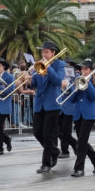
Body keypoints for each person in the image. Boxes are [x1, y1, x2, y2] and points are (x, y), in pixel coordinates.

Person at [29, 41, 66, 173]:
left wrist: (48, 67)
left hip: (52, 104)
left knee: (48, 135)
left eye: (46, 52)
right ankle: (54, 150)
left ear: (53, 53)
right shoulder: (38, 65)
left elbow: (58, 81)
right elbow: (33, 85)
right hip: (40, 104)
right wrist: (28, 78)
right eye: (42, 52)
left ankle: (46, 163)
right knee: (37, 132)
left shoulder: (60, 65)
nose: (43, 54)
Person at [69, 59, 95, 177]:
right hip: (78, 114)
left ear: (91, 70)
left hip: (89, 115)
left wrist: (86, 83)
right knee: (81, 141)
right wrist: (76, 88)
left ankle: (79, 168)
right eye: (82, 69)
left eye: (86, 69)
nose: (83, 71)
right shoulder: (78, 81)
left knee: (82, 142)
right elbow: (72, 99)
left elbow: (93, 96)